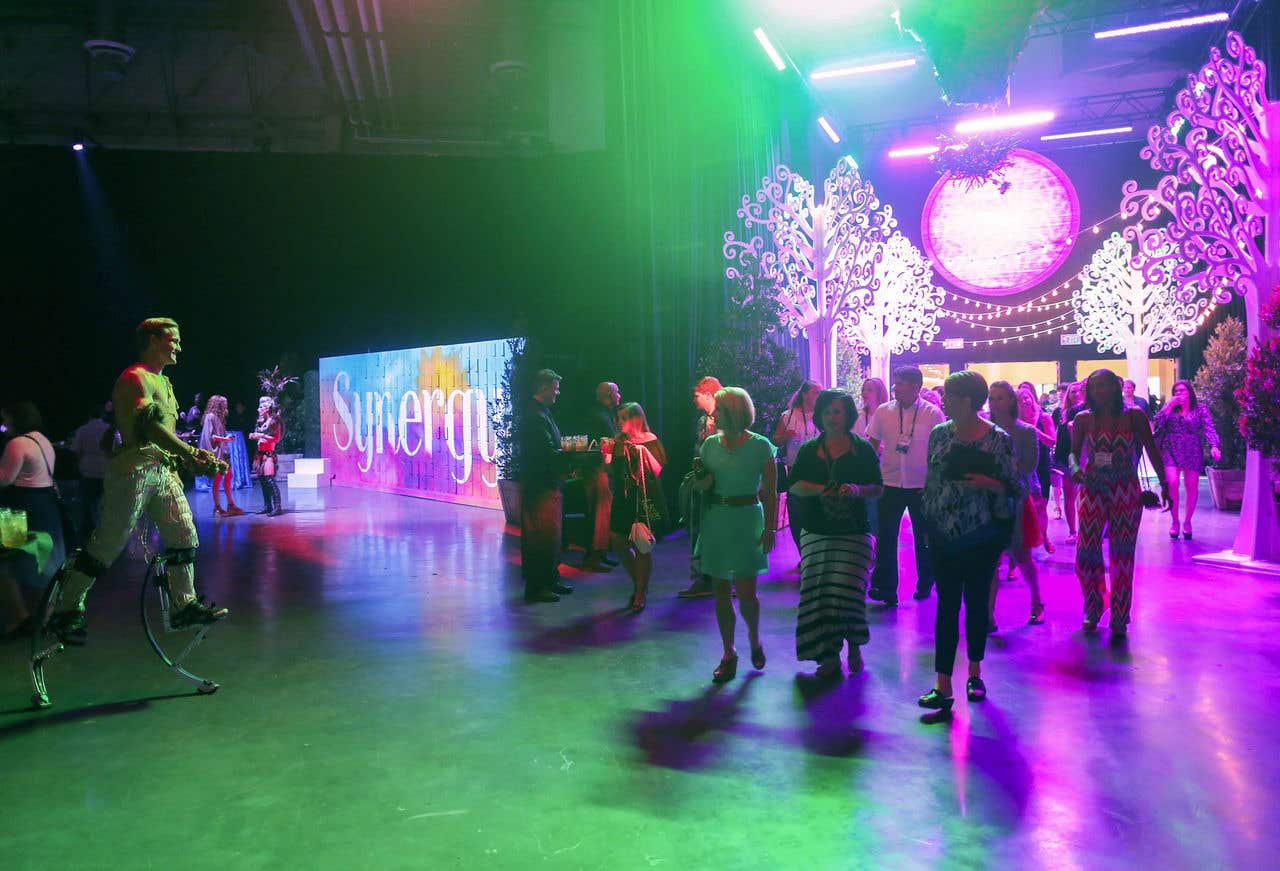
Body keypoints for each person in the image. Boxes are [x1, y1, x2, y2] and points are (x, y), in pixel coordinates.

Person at [42, 318, 228, 644]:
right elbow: (150, 429)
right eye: (173, 340)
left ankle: (184, 605)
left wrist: (186, 457)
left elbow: (161, 435)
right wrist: (189, 453)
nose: (179, 347)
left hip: (161, 470)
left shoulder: (163, 382)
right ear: (154, 340)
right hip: (134, 472)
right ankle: (66, 609)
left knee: (184, 534)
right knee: (108, 543)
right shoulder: (134, 378)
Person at [917, 372, 1020, 721]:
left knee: (976, 605)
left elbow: (1012, 486)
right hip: (943, 533)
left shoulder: (998, 439)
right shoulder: (938, 434)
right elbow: (930, 483)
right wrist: (927, 527)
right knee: (946, 607)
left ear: (967, 400)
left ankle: (975, 674)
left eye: (948, 395)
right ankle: (943, 683)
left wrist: (986, 482)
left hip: (981, 535)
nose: (943, 400)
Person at [786, 389, 882, 677]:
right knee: (819, 597)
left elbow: (878, 489)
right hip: (816, 531)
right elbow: (794, 485)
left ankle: (854, 645)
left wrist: (856, 490)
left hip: (854, 532)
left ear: (848, 415)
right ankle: (827, 656)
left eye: (837, 411)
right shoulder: (807, 450)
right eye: (827, 411)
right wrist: (822, 489)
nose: (832, 417)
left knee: (849, 594)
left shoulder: (863, 449)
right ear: (820, 415)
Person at [1071, 369, 1169, 638]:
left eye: (1104, 385)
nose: (1099, 391)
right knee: (1085, 553)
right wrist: (1074, 469)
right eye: (1094, 387)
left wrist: (1165, 484)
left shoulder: (1134, 415)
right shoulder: (1082, 419)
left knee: (1122, 556)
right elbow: (1070, 453)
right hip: (1092, 488)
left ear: (1116, 387)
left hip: (1125, 489)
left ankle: (1120, 614)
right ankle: (1094, 603)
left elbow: (1151, 448)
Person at [689, 387, 777, 682]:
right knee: (720, 593)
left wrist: (770, 528)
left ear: (736, 412)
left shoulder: (761, 446)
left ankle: (754, 637)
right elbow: (705, 488)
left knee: (748, 593)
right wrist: (699, 482)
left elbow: (772, 493)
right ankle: (729, 652)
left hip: (746, 518)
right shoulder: (709, 445)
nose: (713, 414)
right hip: (717, 519)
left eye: (719, 409)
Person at [866, 366, 945, 605]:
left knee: (923, 537)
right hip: (889, 483)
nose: (894, 387)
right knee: (887, 537)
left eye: (899, 383)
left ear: (915, 387)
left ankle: (925, 581)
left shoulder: (933, 414)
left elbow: (941, 452)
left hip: (921, 486)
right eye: (895, 383)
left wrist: (934, 483)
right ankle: (887, 588)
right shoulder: (883, 411)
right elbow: (872, 443)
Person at [0, 402, 68, 640]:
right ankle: (46, 618)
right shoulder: (43, 440)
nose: (4, 425)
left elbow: (5, 480)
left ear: (17, 419)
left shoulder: (17, 443)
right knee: (46, 562)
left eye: (6, 419)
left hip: (20, 508)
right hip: (45, 504)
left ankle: (19, 618)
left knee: (8, 563)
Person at [988, 383, 1045, 629]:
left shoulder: (1026, 431)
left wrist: (1002, 471)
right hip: (988, 498)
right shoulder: (985, 429)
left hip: (1016, 498)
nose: (994, 403)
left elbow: (1030, 466)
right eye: (991, 398)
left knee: (1022, 555)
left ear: (1011, 401)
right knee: (990, 559)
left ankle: (1036, 601)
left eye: (1000, 398)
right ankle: (988, 614)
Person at [518, 369, 574, 603]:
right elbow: (545, 452)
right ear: (542, 387)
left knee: (550, 535)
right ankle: (537, 585)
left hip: (545, 483)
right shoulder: (535, 415)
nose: (557, 393)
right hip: (540, 485)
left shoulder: (539, 412)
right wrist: (570, 458)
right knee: (541, 536)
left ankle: (549, 580)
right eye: (555, 387)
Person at [607, 403, 666, 612]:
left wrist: (641, 451)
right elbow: (612, 470)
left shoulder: (651, 440)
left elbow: (658, 470)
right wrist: (608, 453)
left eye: (623, 418)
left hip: (645, 499)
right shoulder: (619, 442)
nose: (619, 422)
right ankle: (640, 584)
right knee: (618, 540)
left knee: (642, 544)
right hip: (623, 499)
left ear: (636, 419)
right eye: (618, 418)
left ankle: (640, 592)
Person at [1152, 379, 1219, 540]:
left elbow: (1209, 427)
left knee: (1191, 486)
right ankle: (1174, 521)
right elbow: (1157, 422)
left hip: (1192, 449)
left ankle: (1187, 521)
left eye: (1182, 390)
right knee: (1172, 482)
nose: (1179, 394)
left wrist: (1214, 445)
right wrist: (1168, 406)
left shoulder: (1200, 409)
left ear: (1189, 392)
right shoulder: (1170, 408)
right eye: (1176, 391)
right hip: (1171, 448)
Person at [678, 375, 722, 599]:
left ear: (708, 394)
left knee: (717, 532)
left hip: (720, 486)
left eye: (697, 396)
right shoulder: (704, 420)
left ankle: (719, 580)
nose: (694, 401)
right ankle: (703, 579)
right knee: (699, 530)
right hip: (703, 483)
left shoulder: (726, 419)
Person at [772, 380, 822, 561]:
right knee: (797, 513)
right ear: (805, 394)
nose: (819, 395)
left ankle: (815, 554)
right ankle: (804, 554)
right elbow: (776, 439)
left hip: (819, 469)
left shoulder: (822, 415)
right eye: (816, 391)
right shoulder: (788, 415)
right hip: (795, 469)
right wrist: (785, 436)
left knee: (816, 510)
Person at [581, 381, 622, 572]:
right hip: (599, 471)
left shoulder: (600, 414)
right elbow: (607, 444)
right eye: (617, 392)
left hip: (597, 470)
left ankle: (599, 554)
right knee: (601, 513)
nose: (619, 396)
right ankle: (595, 557)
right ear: (608, 395)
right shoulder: (601, 417)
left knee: (600, 513)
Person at [1018, 383, 1056, 555]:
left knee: (1041, 505)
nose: (1024, 401)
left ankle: (1045, 535)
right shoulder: (1013, 421)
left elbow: (1051, 441)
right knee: (1024, 507)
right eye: (1019, 399)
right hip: (1024, 466)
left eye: (1026, 397)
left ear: (1032, 398)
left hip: (1042, 464)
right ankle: (1023, 548)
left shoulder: (1044, 417)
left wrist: (1034, 432)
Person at [70, 404, 111, 538]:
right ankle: (105, 531)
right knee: (104, 504)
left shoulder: (82, 429)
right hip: (106, 470)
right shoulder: (109, 429)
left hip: (87, 471)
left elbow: (75, 450)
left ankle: (87, 532)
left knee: (87, 504)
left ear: (89, 415)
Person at [1052, 381, 1086, 543]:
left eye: (1079, 390)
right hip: (1065, 457)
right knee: (1069, 495)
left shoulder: (1086, 411)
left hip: (1085, 457)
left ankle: (1086, 529)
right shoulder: (1060, 412)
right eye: (1072, 391)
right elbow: (1058, 437)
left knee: (1086, 496)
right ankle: (1073, 531)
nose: (1076, 393)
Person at [201, 395, 242, 517]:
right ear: (218, 405)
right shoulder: (210, 417)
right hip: (217, 453)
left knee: (229, 476)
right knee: (218, 479)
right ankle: (217, 507)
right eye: (223, 405)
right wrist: (226, 439)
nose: (226, 407)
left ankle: (230, 505)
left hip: (223, 452)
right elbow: (211, 436)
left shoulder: (219, 418)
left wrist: (226, 440)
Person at [248, 396, 284, 516]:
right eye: (259, 406)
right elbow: (259, 434)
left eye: (262, 406)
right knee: (263, 481)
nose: (259, 408)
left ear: (268, 408)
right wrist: (254, 435)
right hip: (259, 454)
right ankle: (268, 506)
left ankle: (277, 506)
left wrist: (260, 436)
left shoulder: (275, 420)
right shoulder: (261, 420)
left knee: (269, 479)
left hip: (269, 454)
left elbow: (276, 439)